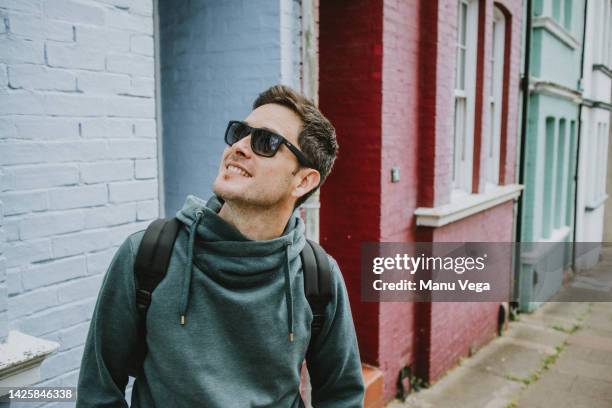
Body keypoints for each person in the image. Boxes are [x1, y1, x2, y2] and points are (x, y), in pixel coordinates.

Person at [76, 84, 365, 407]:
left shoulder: (317, 276)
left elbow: (342, 395)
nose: (239, 146)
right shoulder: (148, 255)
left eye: (265, 141)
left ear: (303, 181)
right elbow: (98, 392)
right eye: (240, 132)